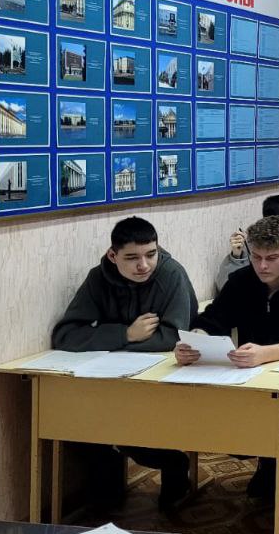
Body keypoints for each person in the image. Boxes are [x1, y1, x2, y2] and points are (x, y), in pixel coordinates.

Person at [180, 216, 279, 499]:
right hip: (252, 378)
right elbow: (213, 318)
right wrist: (194, 340)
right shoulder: (242, 281)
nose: (262, 266)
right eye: (256, 257)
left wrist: (266, 353)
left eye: (272, 258)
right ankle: (269, 461)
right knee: (229, 418)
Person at [51, 216, 198, 509]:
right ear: (112, 256)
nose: (143, 265)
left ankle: (173, 465)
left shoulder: (172, 274)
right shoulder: (98, 278)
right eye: (132, 258)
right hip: (111, 375)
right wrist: (126, 334)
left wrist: (114, 339)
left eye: (151, 254)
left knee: (138, 429)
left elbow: (173, 336)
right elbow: (65, 335)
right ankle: (109, 490)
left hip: (165, 373)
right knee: (78, 419)